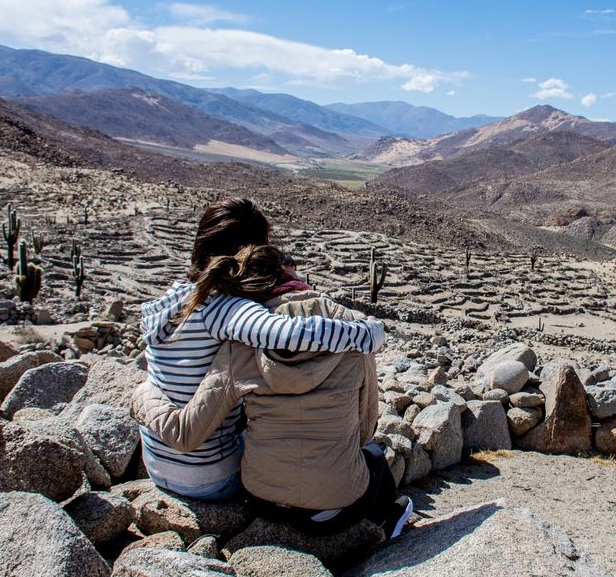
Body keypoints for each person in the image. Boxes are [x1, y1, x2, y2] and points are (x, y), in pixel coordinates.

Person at [135, 242, 413, 540]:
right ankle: (389, 518)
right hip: (336, 506)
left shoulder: (240, 341)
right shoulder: (354, 337)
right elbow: (365, 428)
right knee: (372, 454)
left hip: (262, 500)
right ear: (289, 273)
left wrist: (141, 393)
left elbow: (191, 429)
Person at [135, 198, 387, 501]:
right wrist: (366, 333)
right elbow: (290, 334)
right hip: (209, 477)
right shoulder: (225, 310)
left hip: (157, 464)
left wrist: (143, 391)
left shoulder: (170, 301)